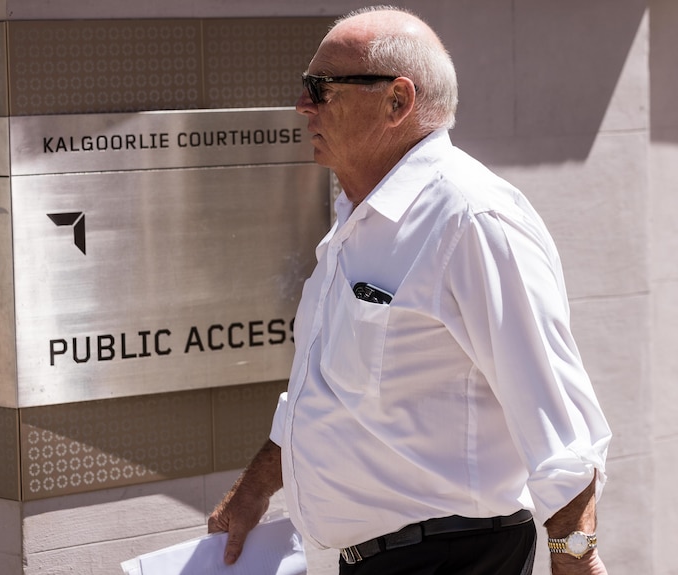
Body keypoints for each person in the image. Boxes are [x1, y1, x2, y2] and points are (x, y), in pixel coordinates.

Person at [209, 6, 611, 575]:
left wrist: (575, 558)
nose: (303, 105)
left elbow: (557, 421)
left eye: (321, 89)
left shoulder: (471, 220)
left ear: (397, 102)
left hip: (454, 559)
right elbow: (328, 392)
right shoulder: (358, 217)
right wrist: (257, 488)